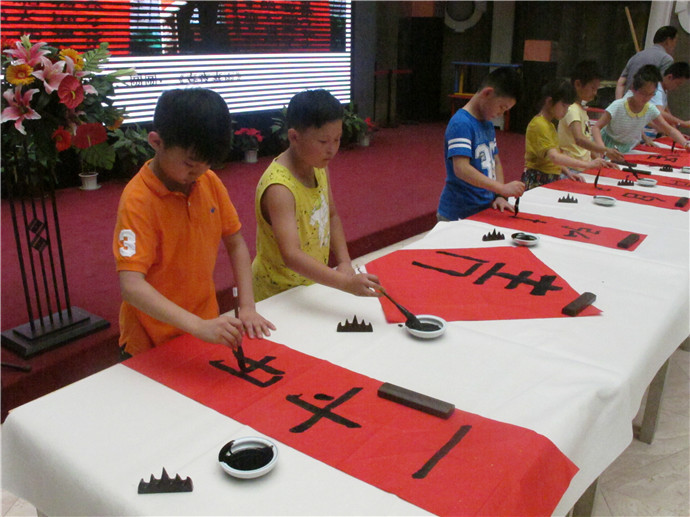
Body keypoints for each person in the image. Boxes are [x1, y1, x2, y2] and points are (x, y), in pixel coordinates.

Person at [113, 88, 275, 358]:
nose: (198, 172)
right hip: (150, 341)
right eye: (189, 164)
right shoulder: (138, 200)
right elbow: (131, 286)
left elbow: (235, 243)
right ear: (156, 142)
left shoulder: (207, 181)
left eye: (207, 163)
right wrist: (198, 325)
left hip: (202, 330)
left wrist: (247, 306)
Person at [251, 89, 381, 301]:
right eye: (323, 142)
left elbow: (331, 215)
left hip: (310, 284)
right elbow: (291, 255)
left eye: (337, 139)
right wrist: (344, 283)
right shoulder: (279, 188)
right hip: (278, 294)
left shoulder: (318, 166)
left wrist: (345, 262)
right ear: (294, 137)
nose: (332, 149)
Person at [437, 67, 525, 221]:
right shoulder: (461, 123)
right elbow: (461, 169)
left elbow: (495, 161)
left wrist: (499, 195)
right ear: (487, 93)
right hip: (458, 213)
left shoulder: (487, 124)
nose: (501, 113)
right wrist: (501, 188)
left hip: (481, 208)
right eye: (502, 107)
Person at [522, 79, 612, 190]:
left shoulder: (549, 125)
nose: (565, 111)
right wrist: (587, 165)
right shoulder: (539, 125)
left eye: (568, 107)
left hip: (548, 176)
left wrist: (567, 172)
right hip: (538, 178)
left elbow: (552, 158)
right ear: (549, 102)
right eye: (564, 106)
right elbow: (554, 157)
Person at [593, 65, 690, 154]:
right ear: (633, 89)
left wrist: (686, 144)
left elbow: (669, 130)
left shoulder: (650, 109)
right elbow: (596, 127)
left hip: (625, 148)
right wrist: (603, 150)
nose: (646, 98)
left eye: (651, 94)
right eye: (643, 93)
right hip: (604, 145)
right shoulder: (618, 105)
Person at [558, 61, 626, 164]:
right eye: (593, 88)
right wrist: (605, 150)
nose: (595, 93)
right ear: (578, 84)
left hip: (582, 166)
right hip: (572, 167)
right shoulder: (572, 109)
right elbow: (579, 139)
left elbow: (585, 146)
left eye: (597, 89)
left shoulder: (581, 109)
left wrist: (599, 160)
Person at [615, 25, 677, 98]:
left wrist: (619, 102)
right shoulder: (666, 59)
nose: (675, 46)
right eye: (675, 41)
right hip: (646, 103)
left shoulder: (636, 56)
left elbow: (621, 83)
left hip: (628, 100)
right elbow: (661, 88)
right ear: (668, 41)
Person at [630, 61, 690, 134]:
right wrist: (682, 123)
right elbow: (660, 112)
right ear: (669, 77)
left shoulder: (664, 90)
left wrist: (676, 130)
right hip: (644, 131)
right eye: (678, 84)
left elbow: (666, 110)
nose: (677, 88)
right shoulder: (657, 89)